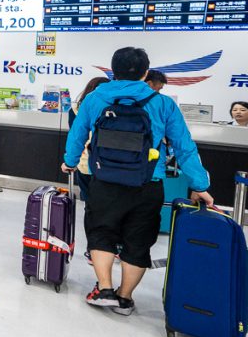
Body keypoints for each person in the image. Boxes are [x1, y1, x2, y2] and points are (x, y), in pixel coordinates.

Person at [62, 47, 213, 317]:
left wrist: (70, 162)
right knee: (139, 239)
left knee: (101, 231)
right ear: (145, 72)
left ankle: (104, 289)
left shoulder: (96, 98)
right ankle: (125, 297)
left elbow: (77, 134)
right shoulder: (163, 103)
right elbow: (184, 147)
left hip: (104, 180)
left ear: (113, 70)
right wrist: (200, 185)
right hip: (147, 183)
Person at [67, 77, 110, 203]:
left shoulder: (75, 110)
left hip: (84, 162)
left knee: (89, 202)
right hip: (108, 163)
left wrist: (70, 162)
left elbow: (76, 138)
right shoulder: (111, 110)